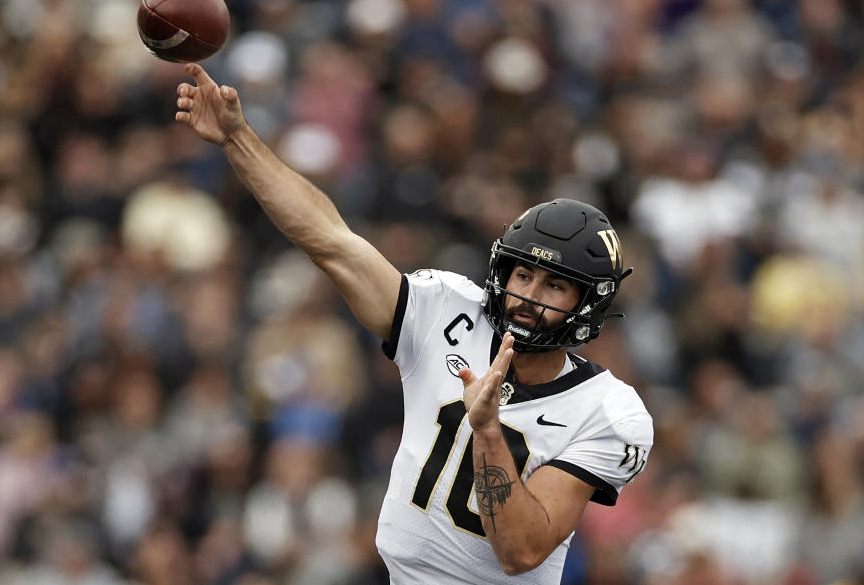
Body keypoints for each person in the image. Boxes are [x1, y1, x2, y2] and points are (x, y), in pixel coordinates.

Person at [173, 63, 653, 584]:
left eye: (554, 286)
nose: (527, 297)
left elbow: (521, 551)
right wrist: (238, 139)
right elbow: (330, 241)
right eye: (522, 274)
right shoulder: (448, 310)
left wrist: (488, 430)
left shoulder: (609, 411)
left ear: (588, 304)